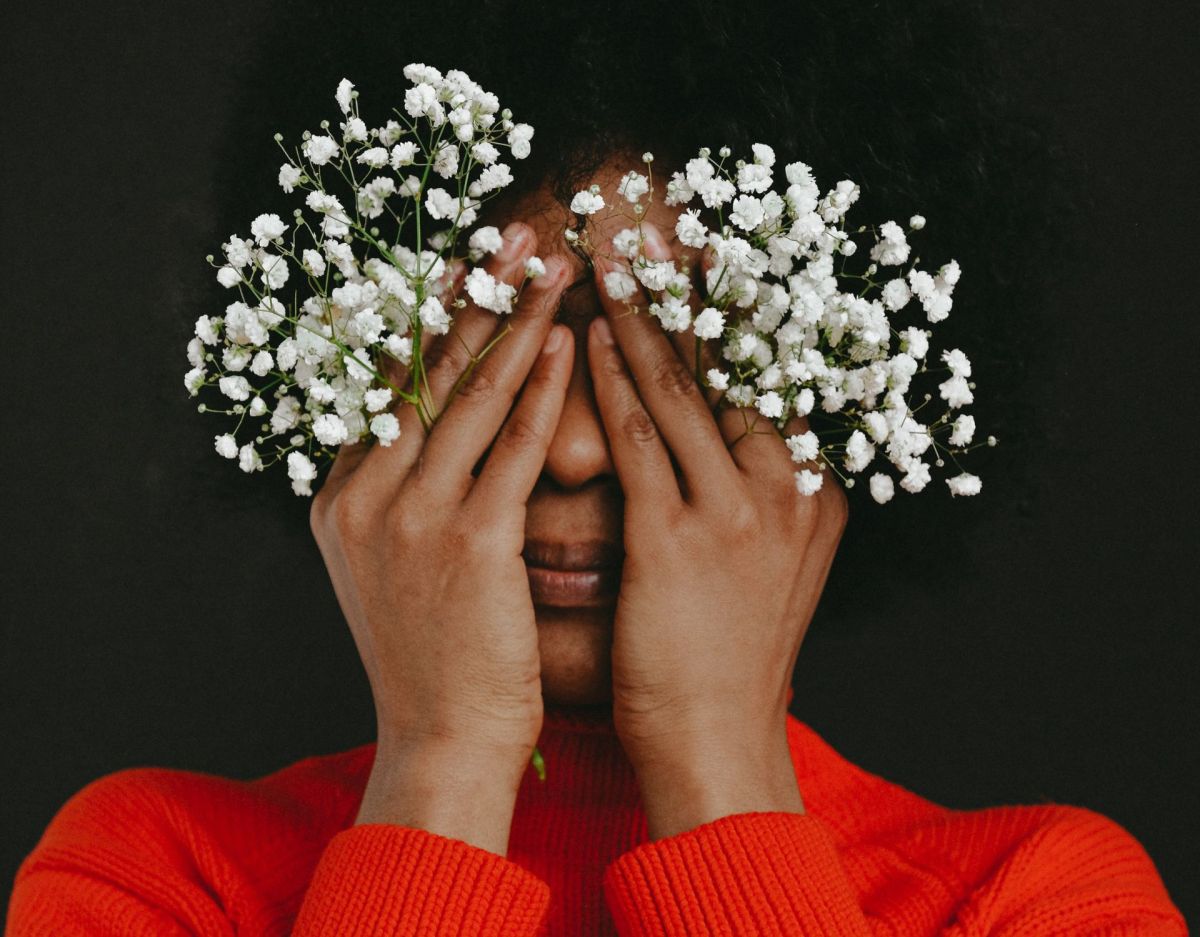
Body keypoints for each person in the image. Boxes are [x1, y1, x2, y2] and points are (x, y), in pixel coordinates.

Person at [5, 3, 1188, 934]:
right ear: (353, 362)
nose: (572, 448)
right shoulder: (150, 876)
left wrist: (719, 761)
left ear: (840, 386)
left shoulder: (1042, 900)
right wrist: (445, 762)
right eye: (496, 349)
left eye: (665, 353)